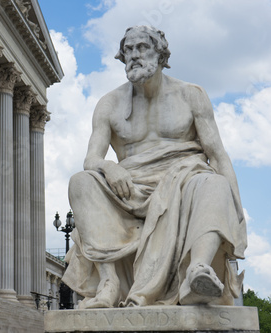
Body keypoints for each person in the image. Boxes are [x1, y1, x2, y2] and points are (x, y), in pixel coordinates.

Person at [63, 26, 247, 308]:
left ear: (161, 54)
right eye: (128, 50)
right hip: (129, 187)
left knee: (214, 182)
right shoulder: (108, 104)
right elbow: (91, 159)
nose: (134, 55)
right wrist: (109, 168)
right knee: (81, 181)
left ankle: (197, 272)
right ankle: (109, 284)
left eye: (141, 48)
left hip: (185, 180)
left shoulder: (190, 95)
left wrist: (237, 216)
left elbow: (218, 156)